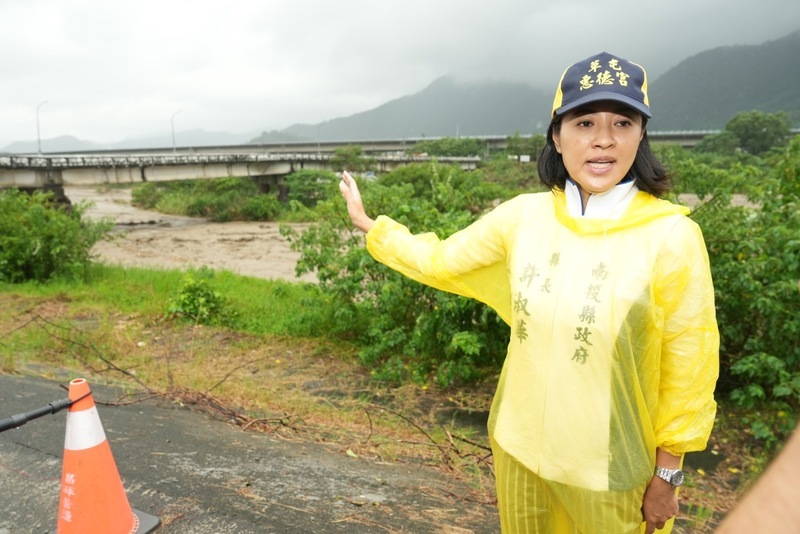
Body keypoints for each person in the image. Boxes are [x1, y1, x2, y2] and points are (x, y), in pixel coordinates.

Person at [338, 51, 719, 534]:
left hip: (608, 473)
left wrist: (668, 473)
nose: (603, 139)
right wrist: (373, 227)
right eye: (584, 123)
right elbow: (443, 261)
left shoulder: (671, 238)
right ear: (557, 136)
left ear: (640, 135)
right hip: (520, 452)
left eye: (622, 122)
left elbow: (689, 365)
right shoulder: (522, 217)